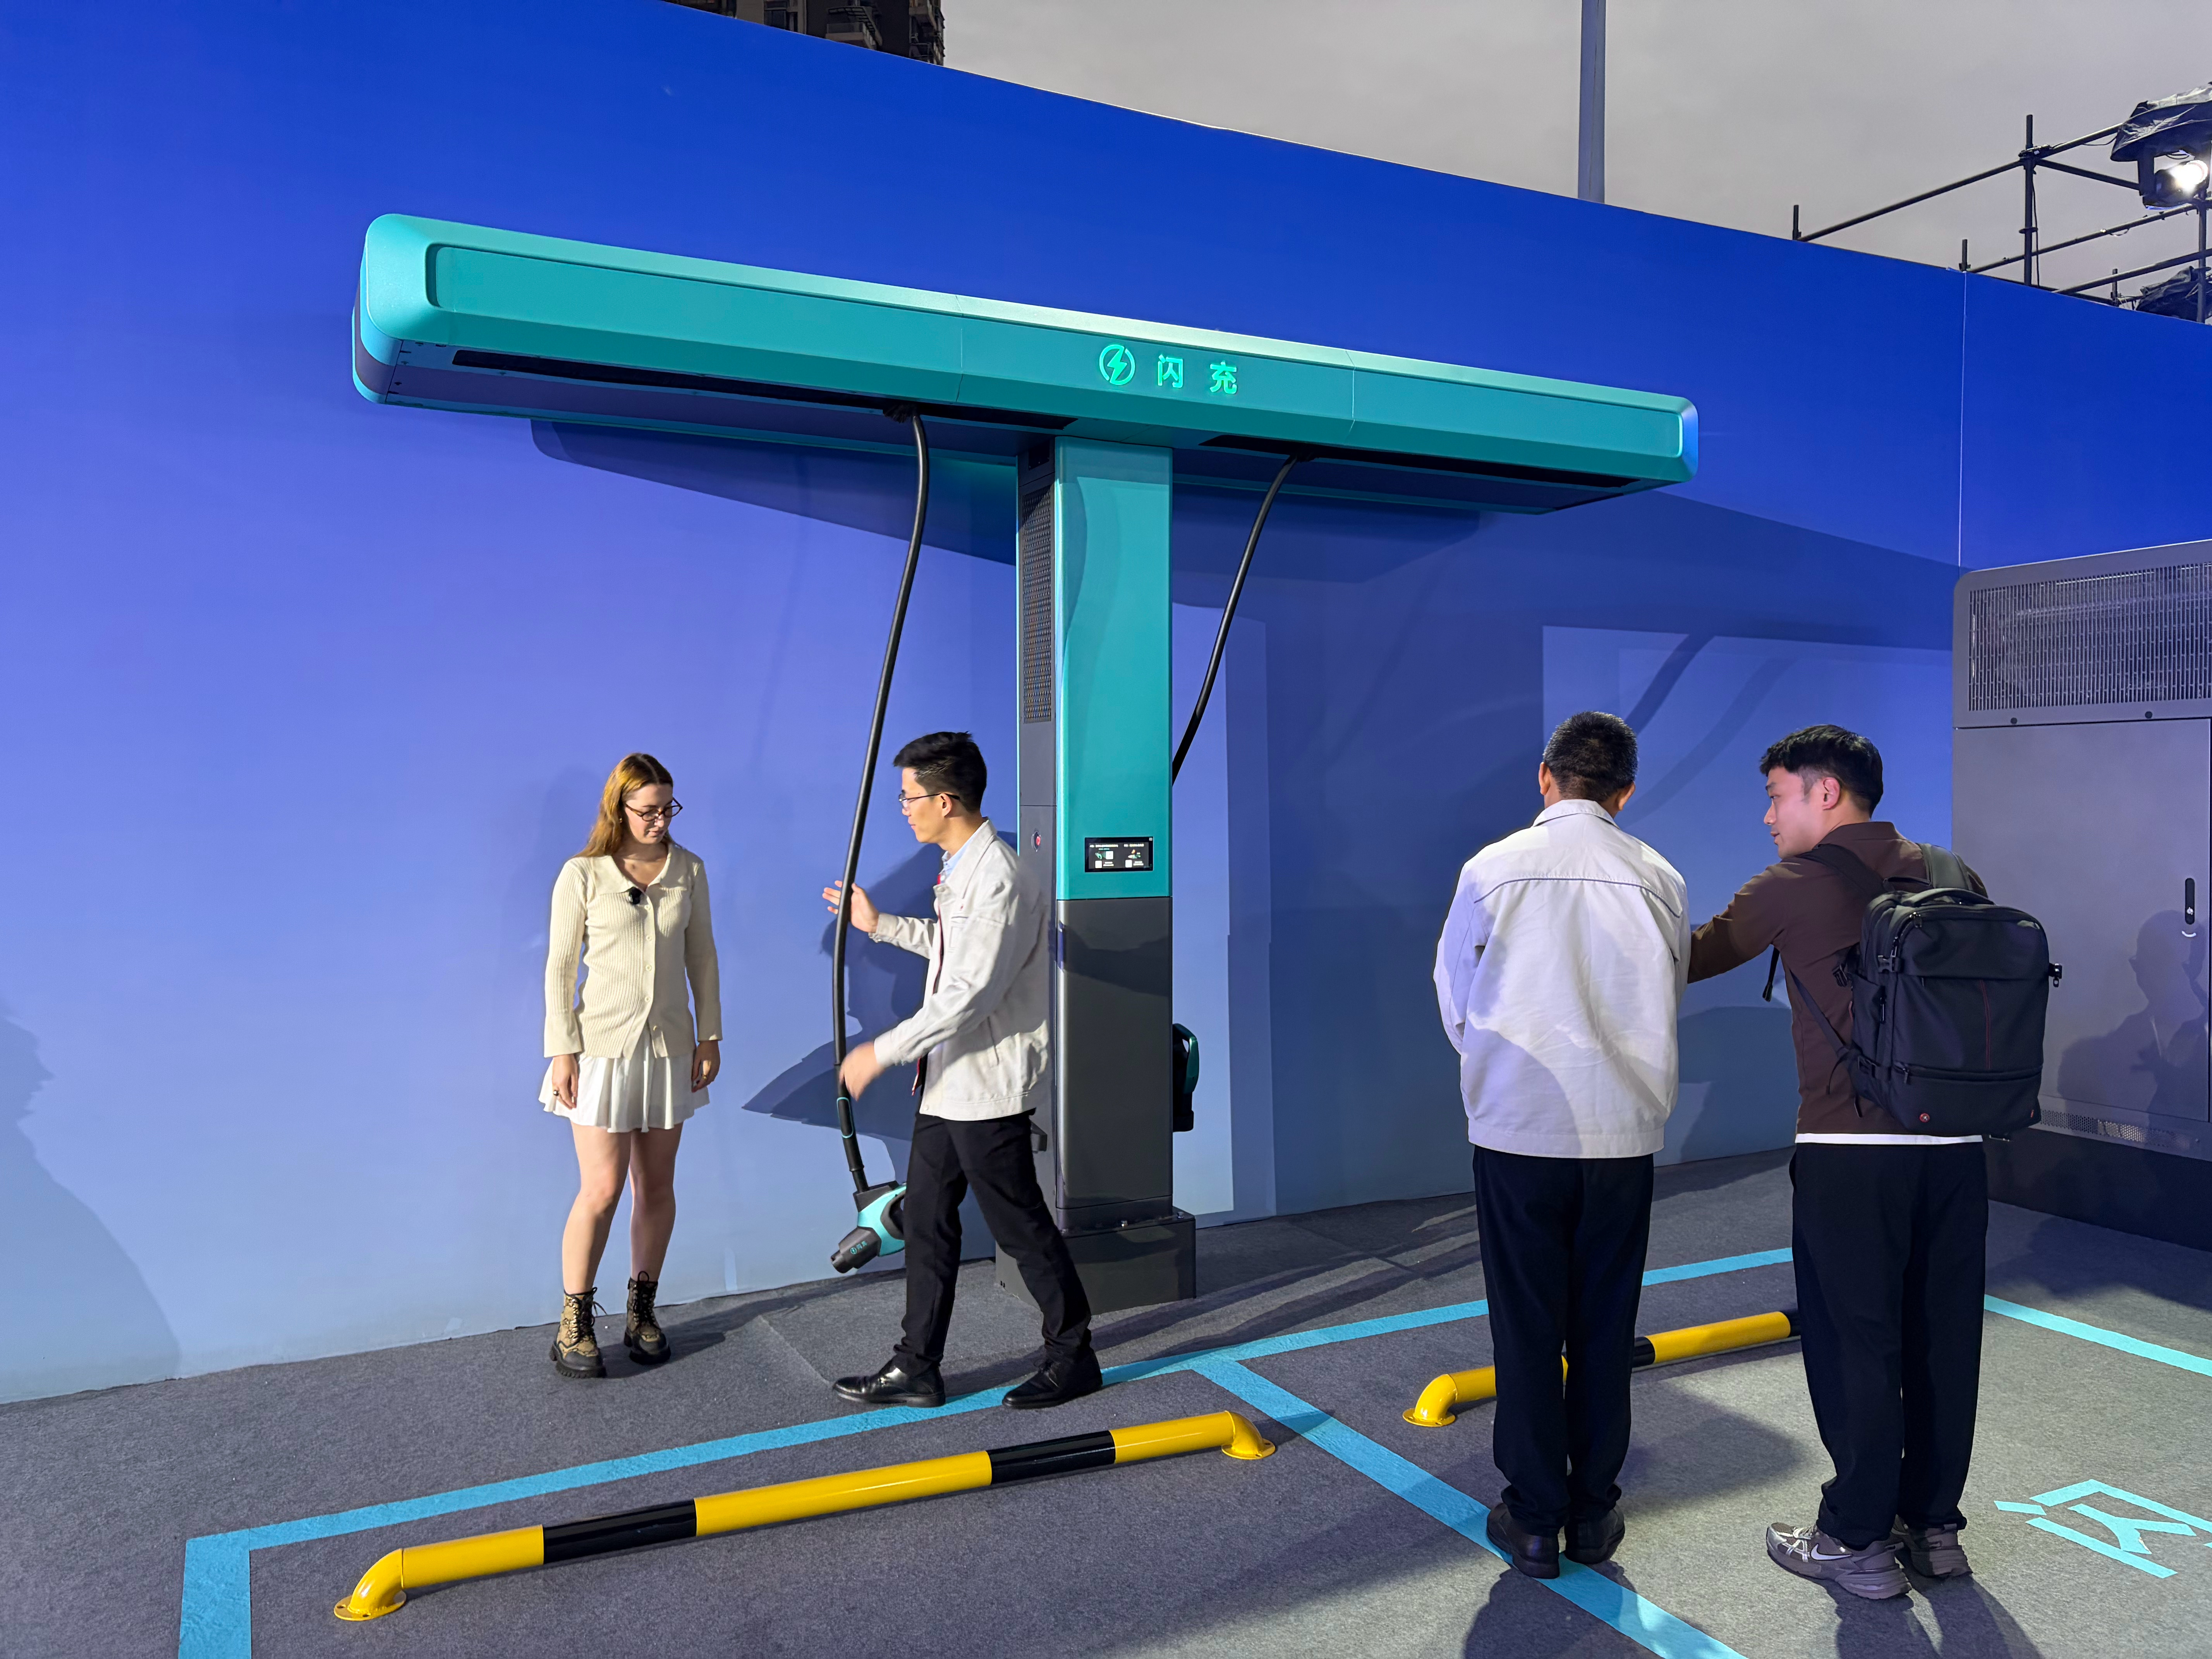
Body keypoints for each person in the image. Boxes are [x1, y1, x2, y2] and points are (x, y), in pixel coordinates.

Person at [1687, 725, 1987, 1600]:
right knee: (1943, 1341)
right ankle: (1935, 1530)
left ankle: (1854, 1538)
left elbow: (1687, 959)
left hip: (1849, 1151)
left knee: (1855, 1341)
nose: (1768, 817)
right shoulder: (1955, 875)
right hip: (1958, 1149)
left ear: (1825, 792)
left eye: (1776, 796)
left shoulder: (1791, 885)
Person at [1433, 712, 1689, 1579]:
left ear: (1546, 778)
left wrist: (1495, 1074)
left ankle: (1535, 1518)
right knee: (1607, 1326)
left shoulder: (1492, 868)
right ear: (1626, 792)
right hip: (1623, 1136)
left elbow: (1456, 997)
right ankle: (1593, 1511)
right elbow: (1669, 992)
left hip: (1518, 1130)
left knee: (1528, 1326)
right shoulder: (1661, 877)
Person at [822, 730, 1099, 1411]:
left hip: (986, 1087)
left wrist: (881, 1052)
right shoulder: (963, 867)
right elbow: (956, 951)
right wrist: (881, 924)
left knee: (1020, 1226)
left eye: (909, 798)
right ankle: (917, 1366)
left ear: (945, 801)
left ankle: (1074, 1357)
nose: (904, 810)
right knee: (927, 1222)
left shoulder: (998, 876)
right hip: (949, 1084)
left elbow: (969, 995)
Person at [541, 752, 721, 1380]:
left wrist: (709, 1036)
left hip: (670, 1048)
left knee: (657, 1187)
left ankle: (642, 1311)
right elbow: (560, 967)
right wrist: (562, 1049)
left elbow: (703, 958)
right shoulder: (583, 874)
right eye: (647, 811)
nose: (659, 821)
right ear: (618, 808)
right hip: (600, 1051)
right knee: (602, 1189)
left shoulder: (689, 870)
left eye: (668, 809)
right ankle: (574, 1322)